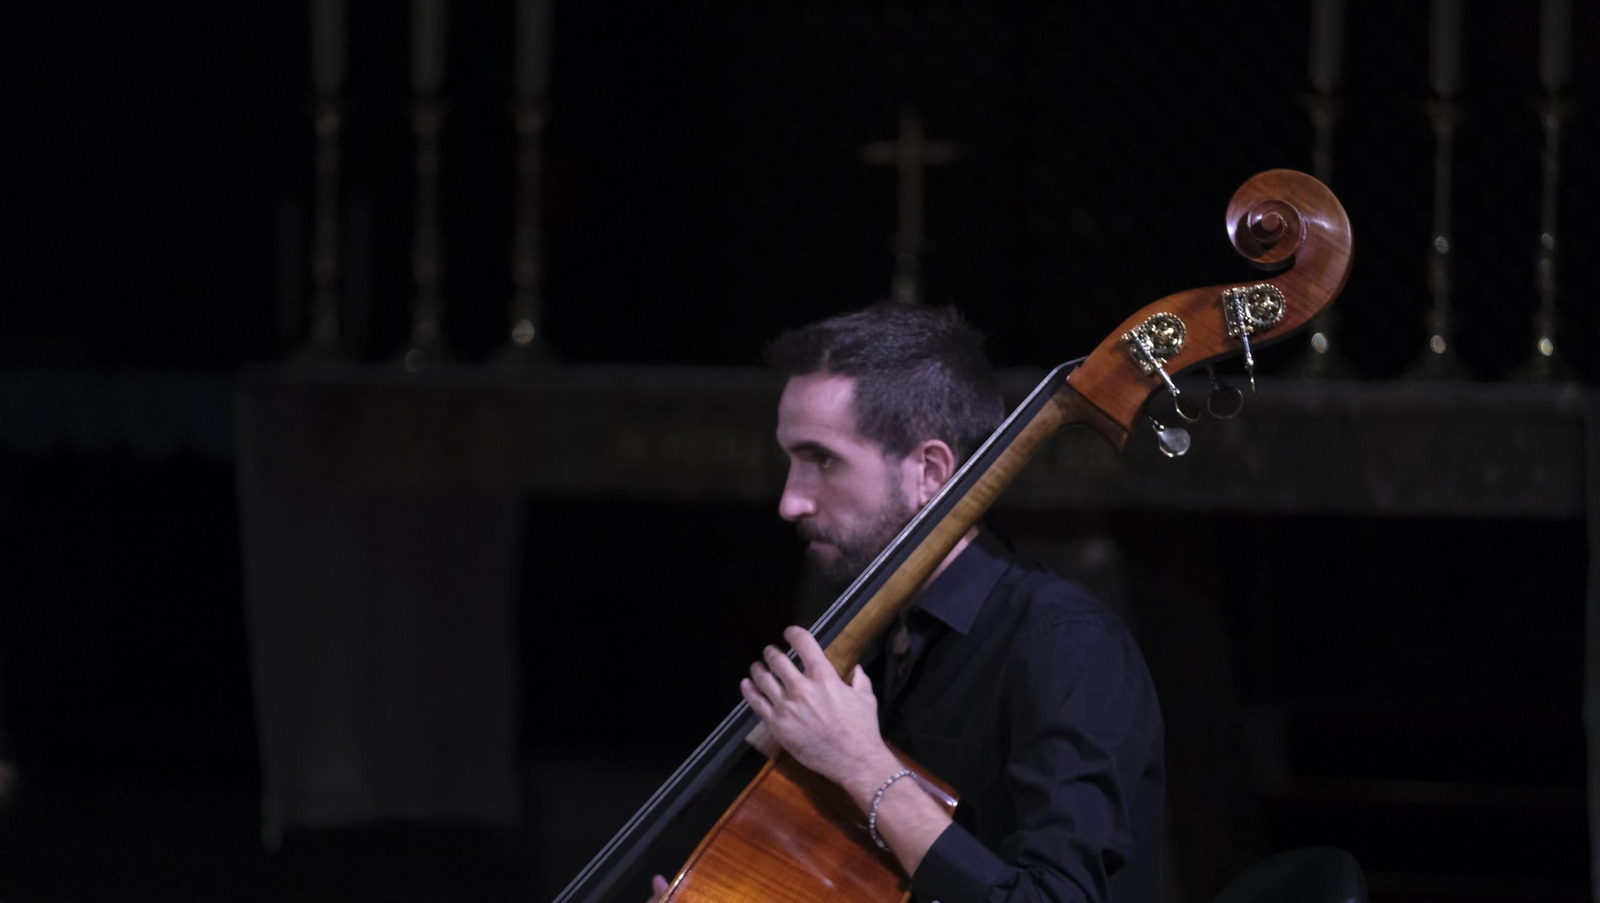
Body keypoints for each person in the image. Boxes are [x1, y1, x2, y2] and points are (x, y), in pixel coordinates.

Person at [730, 302, 1166, 903]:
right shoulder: (875, 638)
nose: (790, 502)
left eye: (821, 460)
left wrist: (862, 763)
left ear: (930, 470)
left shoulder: (1064, 642)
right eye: (790, 461)